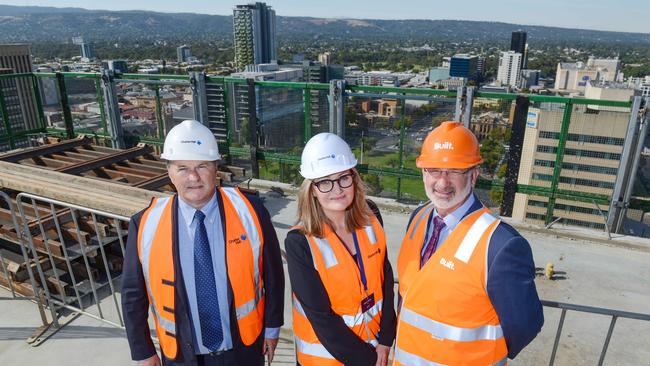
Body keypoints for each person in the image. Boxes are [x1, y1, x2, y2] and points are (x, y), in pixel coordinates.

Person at [121, 120, 284, 366]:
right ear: (169, 172)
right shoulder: (145, 224)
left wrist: (272, 327)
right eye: (182, 168)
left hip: (243, 349)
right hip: (181, 354)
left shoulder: (251, 211)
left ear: (215, 168)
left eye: (202, 166)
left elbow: (273, 274)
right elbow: (133, 294)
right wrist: (143, 351)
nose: (193, 177)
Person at [393, 121, 544, 365]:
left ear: (473, 175)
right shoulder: (418, 218)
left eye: (454, 171)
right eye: (434, 170)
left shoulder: (500, 244)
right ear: (423, 172)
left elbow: (525, 324)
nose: (442, 183)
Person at [285, 133, 397, 366]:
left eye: (343, 178)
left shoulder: (371, 215)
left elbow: (385, 279)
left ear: (353, 178)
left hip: (377, 348)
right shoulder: (300, 242)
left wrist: (386, 339)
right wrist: (369, 359)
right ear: (312, 189)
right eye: (325, 182)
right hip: (329, 360)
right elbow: (321, 318)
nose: (337, 189)